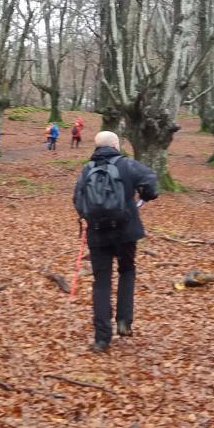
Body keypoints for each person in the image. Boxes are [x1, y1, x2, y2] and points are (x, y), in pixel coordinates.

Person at [72, 130, 158, 352]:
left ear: (96, 147)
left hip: (97, 234)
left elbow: (77, 200)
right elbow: (150, 181)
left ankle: (102, 338)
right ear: (116, 145)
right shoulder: (127, 165)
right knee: (127, 271)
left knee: (101, 282)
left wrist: (89, 216)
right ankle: (124, 320)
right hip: (126, 231)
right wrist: (146, 195)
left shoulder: (86, 169)